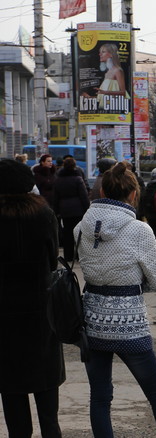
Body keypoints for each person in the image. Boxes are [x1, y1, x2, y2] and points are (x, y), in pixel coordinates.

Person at [75, 162, 156, 438]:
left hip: (91, 320)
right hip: (130, 325)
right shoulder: (140, 231)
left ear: (102, 190)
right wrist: (136, 285)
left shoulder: (81, 227)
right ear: (133, 194)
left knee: (100, 397)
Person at [0, 158, 64, 438]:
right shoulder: (44, 215)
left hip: (3, 318)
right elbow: (53, 262)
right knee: (48, 408)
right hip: (40, 312)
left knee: (12, 393)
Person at [51, 157, 90, 262]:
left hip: (65, 210)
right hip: (78, 210)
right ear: (74, 166)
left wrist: (57, 210)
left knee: (67, 233)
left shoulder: (58, 180)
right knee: (79, 232)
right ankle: (78, 254)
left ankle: (68, 256)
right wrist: (87, 208)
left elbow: (56, 197)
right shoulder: (78, 179)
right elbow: (84, 196)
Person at [139, 168, 156, 251]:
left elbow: (142, 200)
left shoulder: (148, 186)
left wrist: (143, 213)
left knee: (152, 230)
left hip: (150, 214)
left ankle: (152, 248)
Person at [96, 43, 128, 109]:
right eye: (100, 52)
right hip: (105, 106)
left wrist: (105, 92)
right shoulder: (107, 72)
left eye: (103, 52)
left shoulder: (117, 70)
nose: (100, 54)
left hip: (114, 107)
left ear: (111, 54)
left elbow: (123, 92)